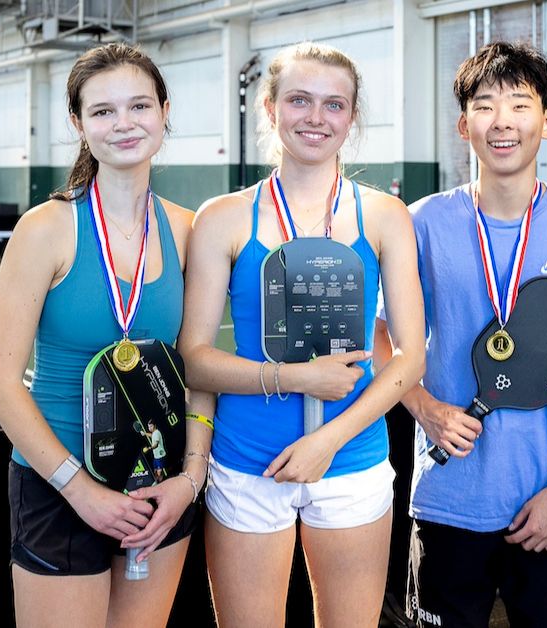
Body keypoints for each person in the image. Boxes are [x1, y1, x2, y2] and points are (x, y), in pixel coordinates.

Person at [375, 41, 547, 628]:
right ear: (464, 124)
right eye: (485, 106)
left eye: (520, 104)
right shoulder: (423, 222)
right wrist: (425, 408)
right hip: (447, 499)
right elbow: (383, 334)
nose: (503, 121)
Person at [178, 41, 425, 627]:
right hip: (245, 463)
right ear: (270, 108)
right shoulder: (223, 217)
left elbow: (410, 358)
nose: (316, 118)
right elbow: (193, 359)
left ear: (352, 117)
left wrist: (327, 441)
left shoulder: (386, 217)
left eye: (334, 104)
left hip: (352, 461)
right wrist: (294, 377)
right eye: (300, 100)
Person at [0, 43, 209, 627]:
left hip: (158, 487)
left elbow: (200, 367)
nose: (124, 124)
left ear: (164, 111)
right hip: (59, 487)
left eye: (139, 106)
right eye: (103, 111)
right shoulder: (45, 229)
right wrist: (80, 490)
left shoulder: (188, 231)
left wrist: (190, 477)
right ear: (79, 125)